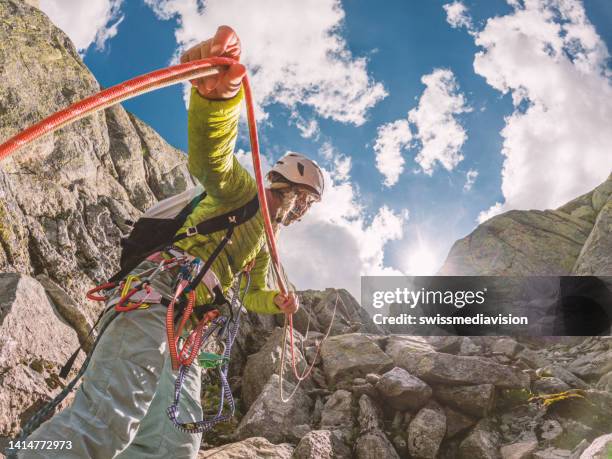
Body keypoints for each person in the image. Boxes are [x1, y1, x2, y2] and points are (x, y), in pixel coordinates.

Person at [17, 25, 324, 459]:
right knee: (104, 424)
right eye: (305, 203)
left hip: (186, 328)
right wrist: (217, 102)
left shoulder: (261, 243)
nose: (302, 213)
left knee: (175, 445)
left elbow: (252, 293)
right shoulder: (244, 192)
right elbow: (211, 160)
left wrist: (276, 303)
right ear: (292, 190)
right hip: (156, 295)